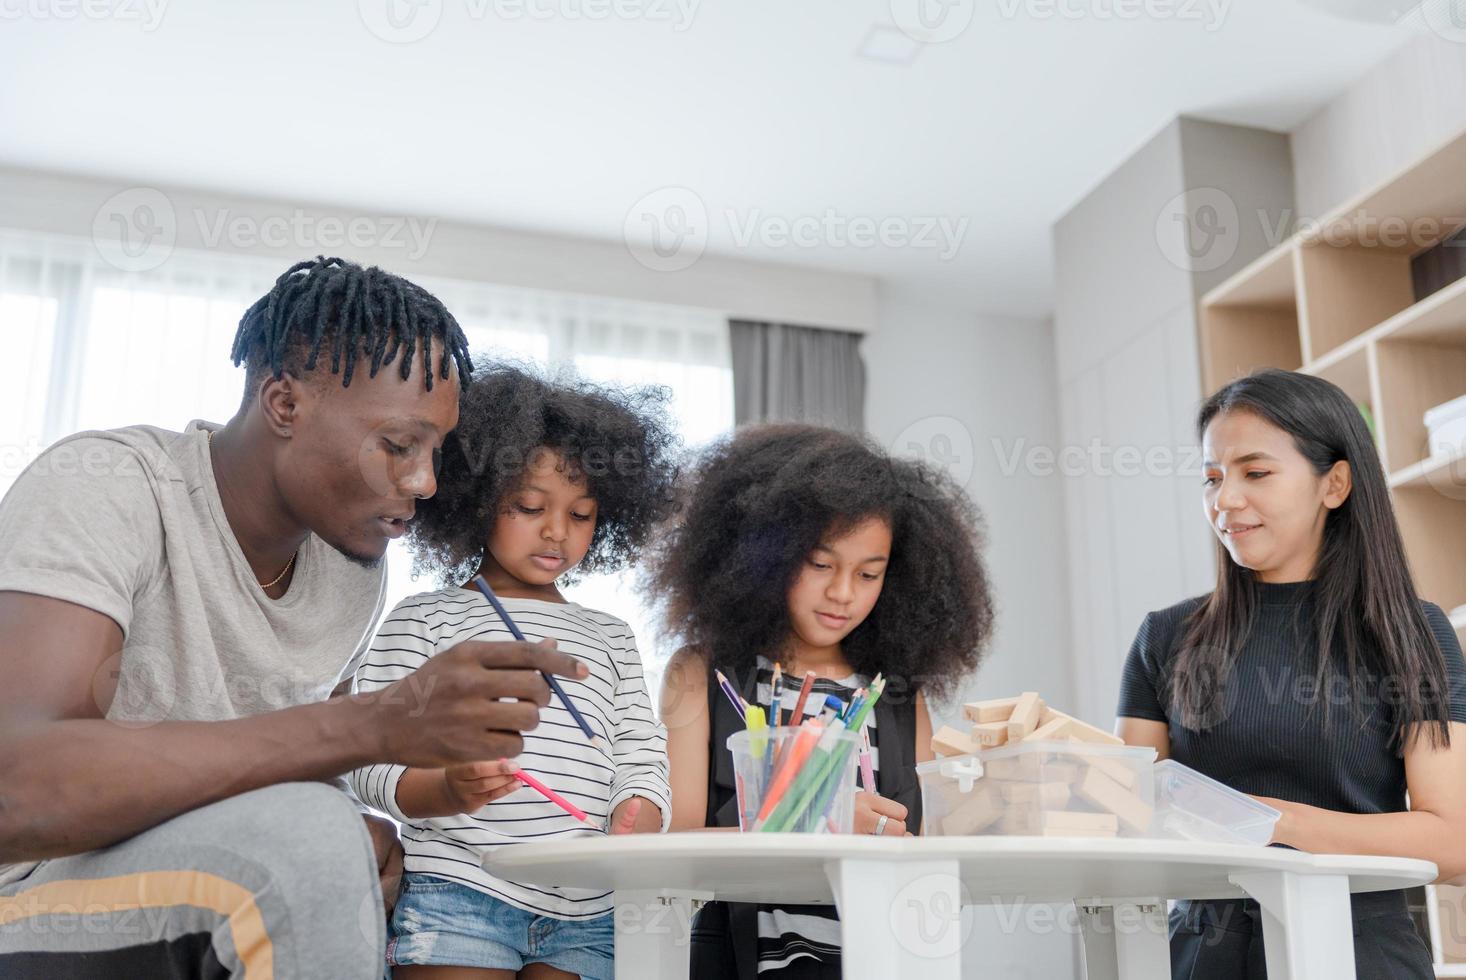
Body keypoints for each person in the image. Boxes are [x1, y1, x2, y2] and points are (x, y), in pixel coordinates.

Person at [0, 257, 587, 979]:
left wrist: (376, 834)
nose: (425, 482)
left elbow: (285, 770)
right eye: (399, 447)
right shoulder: (110, 488)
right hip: (26, 898)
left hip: (189, 888)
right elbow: (15, 784)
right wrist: (374, 724)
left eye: (435, 453)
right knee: (310, 837)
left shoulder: (350, 569)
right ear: (284, 404)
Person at [1116, 368, 1466, 980]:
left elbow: (1454, 839)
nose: (1225, 499)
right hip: (1205, 955)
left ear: (1334, 484)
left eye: (1255, 473)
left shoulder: (1411, 632)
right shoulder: (1165, 637)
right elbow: (1127, 821)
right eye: (1212, 477)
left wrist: (1271, 823)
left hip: (1362, 952)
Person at [349, 363, 680, 980]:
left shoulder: (611, 636)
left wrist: (639, 809)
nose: (556, 530)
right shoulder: (426, 620)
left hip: (588, 910)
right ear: (480, 497)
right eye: (530, 506)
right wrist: (443, 786)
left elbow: (643, 752)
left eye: (581, 515)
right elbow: (366, 755)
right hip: (460, 891)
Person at [651, 423, 995, 979]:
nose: (843, 593)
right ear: (764, 554)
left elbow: (928, 846)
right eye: (820, 564)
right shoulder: (702, 675)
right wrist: (822, 823)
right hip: (736, 959)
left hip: (879, 957)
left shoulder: (900, 695)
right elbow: (674, 844)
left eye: (869, 573)